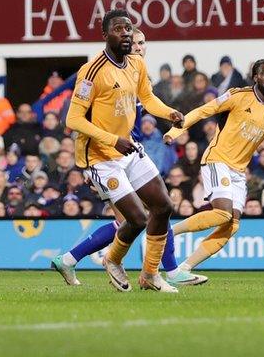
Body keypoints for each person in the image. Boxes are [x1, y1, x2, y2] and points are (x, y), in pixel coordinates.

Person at [51, 27, 200, 288]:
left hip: (129, 150)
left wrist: (168, 113)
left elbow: (147, 100)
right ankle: (145, 267)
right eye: (135, 42)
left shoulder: (136, 68)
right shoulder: (93, 71)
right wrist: (89, 167)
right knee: (135, 219)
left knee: (160, 207)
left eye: (142, 41)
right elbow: (75, 119)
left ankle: (73, 259)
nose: (139, 46)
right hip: (101, 156)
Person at [164, 59, 264, 277]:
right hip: (217, 160)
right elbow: (203, 111)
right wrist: (174, 131)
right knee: (221, 214)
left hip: (238, 171)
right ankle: (167, 232)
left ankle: (183, 270)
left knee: (231, 225)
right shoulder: (237, 95)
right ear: (255, 77)